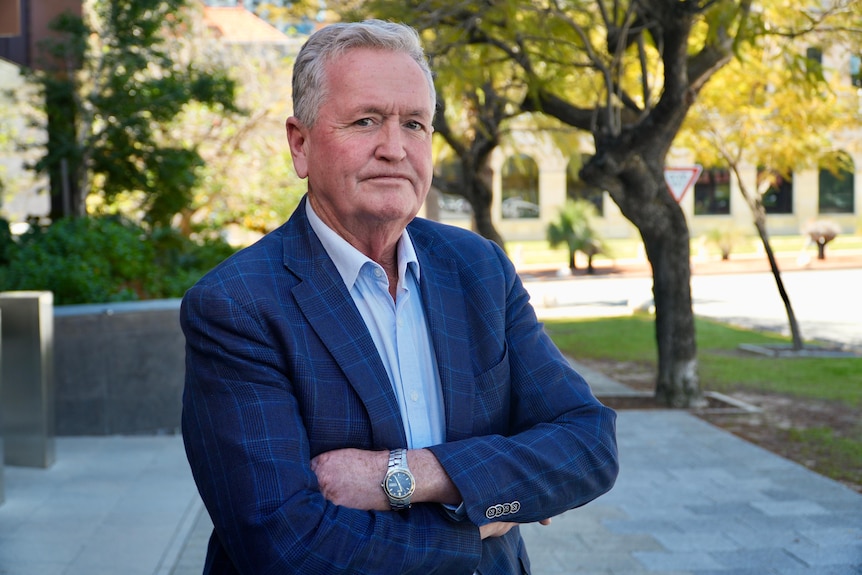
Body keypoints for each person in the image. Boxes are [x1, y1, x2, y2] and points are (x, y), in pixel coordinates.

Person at [181, 19, 618, 575]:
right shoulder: (236, 305)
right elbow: (284, 545)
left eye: (415, 124)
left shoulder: (478, 269)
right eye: (366, 121)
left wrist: (411, 476)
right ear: (300, 143)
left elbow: (588, 445)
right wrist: (485, 514)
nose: (394, 148)